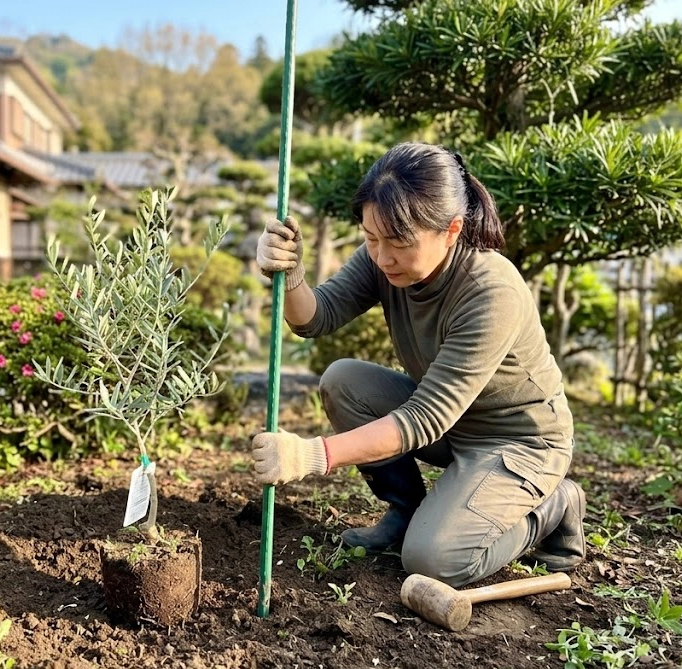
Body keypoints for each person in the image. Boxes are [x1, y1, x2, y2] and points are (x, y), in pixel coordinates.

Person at [251, 142, 586, 588]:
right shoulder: (385, 257)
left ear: (451, 229)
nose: (382, 256)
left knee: (434, 559)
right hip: (456, 427)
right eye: (371, 238)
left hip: (519, 443)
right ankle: (405, 510)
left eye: (399, 243)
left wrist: (311, 455)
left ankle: (552, 507)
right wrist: (290, 276)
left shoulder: (491, 290)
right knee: (344, 381)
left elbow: (423, 419)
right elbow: (316, 316)